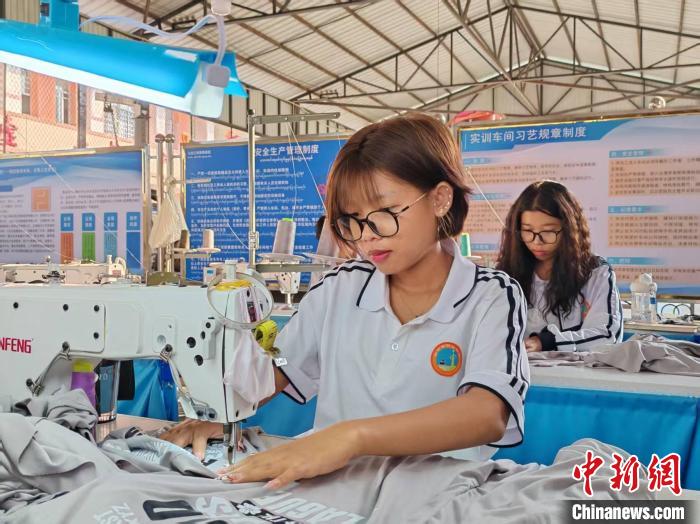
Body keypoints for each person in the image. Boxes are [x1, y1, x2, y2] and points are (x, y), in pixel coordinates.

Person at [162, 113, 529, 489]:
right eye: (352, 220)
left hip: (436, 495)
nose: (366, 237)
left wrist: (353, 437)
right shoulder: (338, 290)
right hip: (337, 490)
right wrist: (219, 413)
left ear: (439, 199)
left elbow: (486, 414)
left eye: (384, 214)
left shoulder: (490, 296)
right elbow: (281, 366)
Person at [496, 180, 623, 353]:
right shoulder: (506, 274)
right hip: (519, 368)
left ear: (570, 230)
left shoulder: (595, 273)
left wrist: (548, 341)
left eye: (548, 231)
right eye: (527, 231)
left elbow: (608, 335)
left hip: (576, 370)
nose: (537, 242)